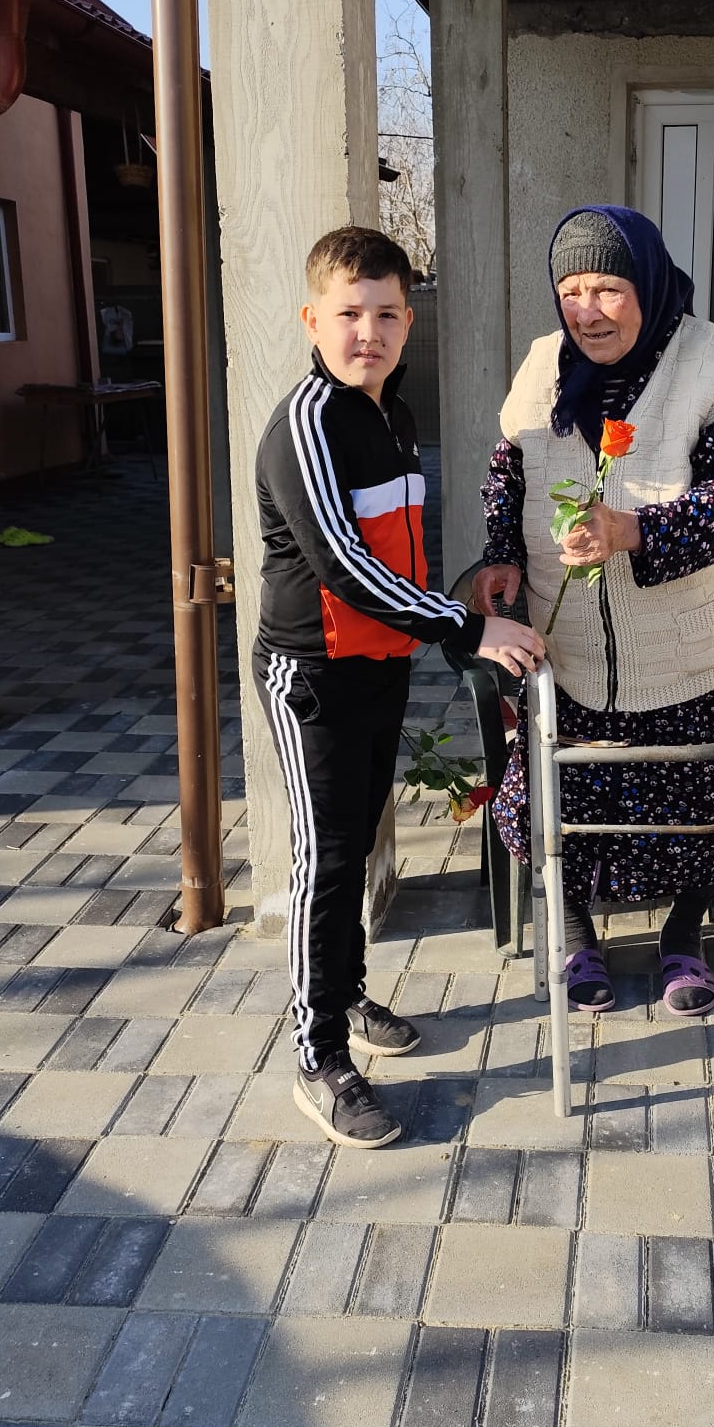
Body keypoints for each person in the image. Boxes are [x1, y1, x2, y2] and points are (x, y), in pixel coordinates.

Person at [254, 225, 544, 1148]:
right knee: (327, 861)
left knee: (357, 845)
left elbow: (397, 557)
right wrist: (467, 628)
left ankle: (344, 994)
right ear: (312, 320)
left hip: (378, 666)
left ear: (408, 322)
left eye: (385, 314)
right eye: (349, 314)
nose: (367, 332)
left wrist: (460, 596)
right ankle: (316, 1056)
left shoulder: (393, 414)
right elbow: (343, 566)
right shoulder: (306, 424)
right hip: (314, 676)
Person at [477, 206, 714, 1018]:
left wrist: (634, 530)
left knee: (701, 805)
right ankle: (576, 934)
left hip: (690, 645)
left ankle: (683, 936)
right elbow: (508, 469)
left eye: (607, 288)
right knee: (563, 798)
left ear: (646, 283)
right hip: (569, 644)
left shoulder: (709, 363)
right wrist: (502, 551)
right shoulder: (543, 365)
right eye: (571, 290)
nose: (588, 310)